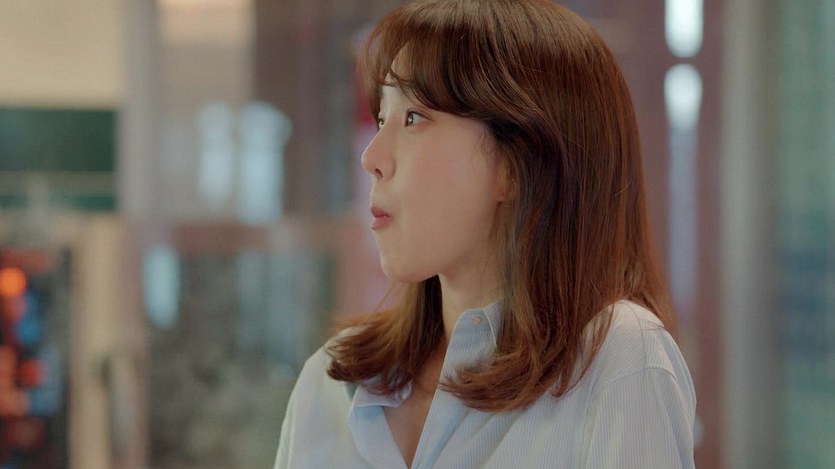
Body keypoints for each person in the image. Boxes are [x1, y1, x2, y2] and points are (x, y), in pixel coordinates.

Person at [275, 0, 696, 467]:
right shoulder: (330, 381)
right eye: (380, 119)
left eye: (413, 117)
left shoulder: (619, 359)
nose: (371, 157)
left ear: (517, 164)